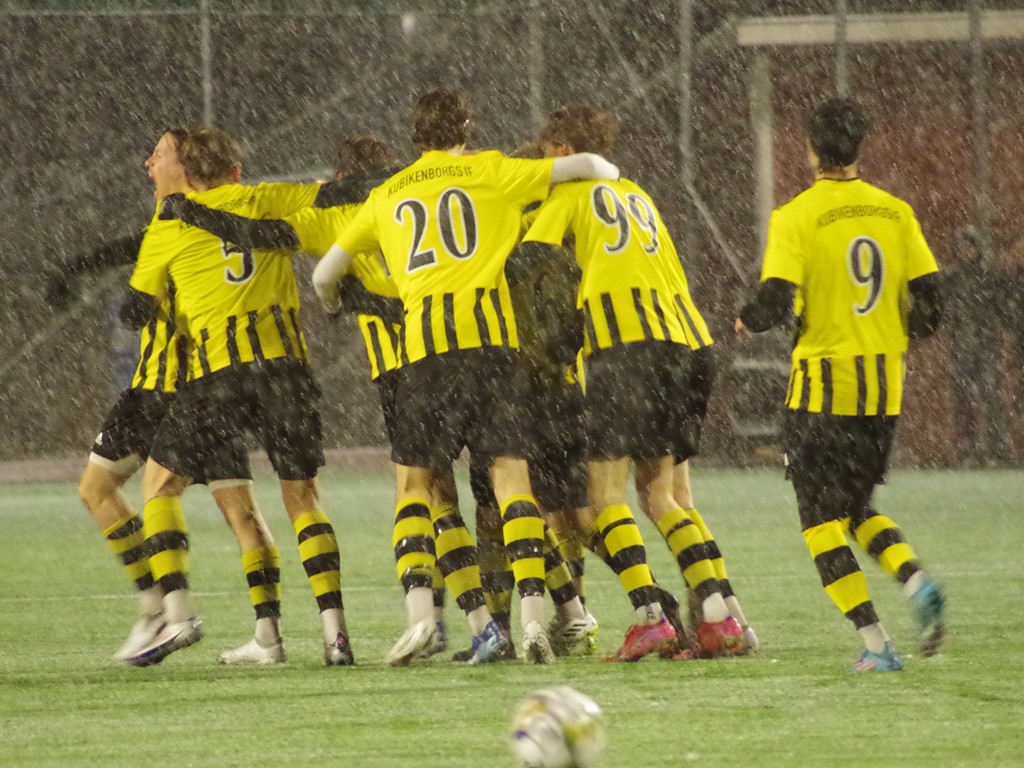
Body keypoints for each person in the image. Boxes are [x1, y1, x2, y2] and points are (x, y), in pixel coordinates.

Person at [313, 87, 622, 664]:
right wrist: (598, 175)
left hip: (425, 353)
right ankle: (534, 621)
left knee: (417, 487)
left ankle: (421, 618)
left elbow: (325, 276)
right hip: (495, 349)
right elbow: (595, 166)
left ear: (415, 135)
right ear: (468, 127)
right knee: (512, 484)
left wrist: (336, 304)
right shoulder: (492, 170)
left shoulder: (387, 193)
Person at [120, 126, 354, 667]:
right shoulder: (263, 197)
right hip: (286, 371)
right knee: (303, 498)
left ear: (187, 172)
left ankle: (177, 614)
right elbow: (329, 196)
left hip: (219, 377)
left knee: (159, 485)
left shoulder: (169, 224)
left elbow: (134, 312)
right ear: (234, 171)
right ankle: (334, 634)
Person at [521, 103, 747, 660]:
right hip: (686, 345)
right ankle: (720, 617)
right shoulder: (639, 196)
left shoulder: (568, 195)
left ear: (562, 149)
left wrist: (551, 337)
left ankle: (650, 615)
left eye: (548, 150)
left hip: (624, 350)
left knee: (603, 498)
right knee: (663, 495)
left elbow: (531, 262)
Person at [50, 129, 283, 666]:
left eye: (157, 155)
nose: (148, 163)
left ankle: (169, 609)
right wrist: (80, 267)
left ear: (183, 166)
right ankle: (261, 633)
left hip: (167, 388)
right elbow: (134, 247)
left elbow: (138, 272)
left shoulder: (182, 222)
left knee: (109, 489)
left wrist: (80, 270)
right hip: (204, 385)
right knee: (237, 509)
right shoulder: (209, 219)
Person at [735, 95, 946, 671]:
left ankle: (877, 646)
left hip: (821, 393)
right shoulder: (895, 212)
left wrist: (746, 318)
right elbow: (931, 306)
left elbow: (775, 299)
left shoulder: (795, 216)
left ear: (811, 151)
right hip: (882, 393)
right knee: (855, 506)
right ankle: (915, 579)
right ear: (859, 147)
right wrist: (882, 330)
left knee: (819, 521)